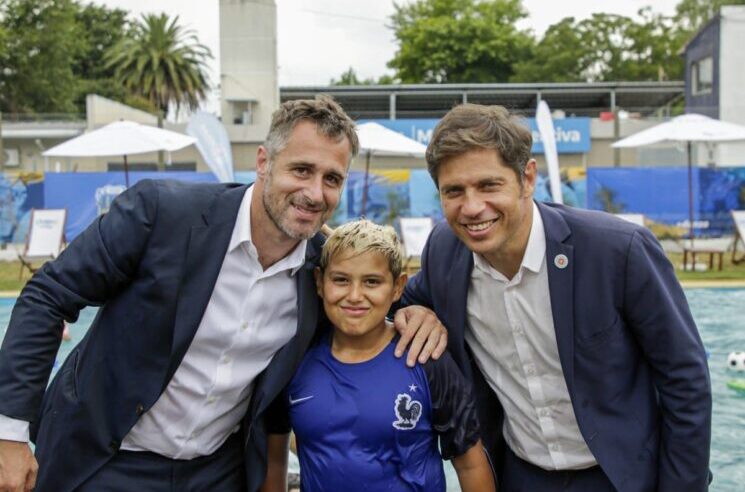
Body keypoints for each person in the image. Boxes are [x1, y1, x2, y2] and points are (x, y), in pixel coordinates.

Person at [0, 97, 447, 492]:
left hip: (216, 473)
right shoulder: (161, 215)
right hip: (105, 458)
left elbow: (369, 306)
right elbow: (47, 295)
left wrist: (415, 314)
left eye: (332, 178)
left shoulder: (323, 270)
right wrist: (9, 434)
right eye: (302, 170)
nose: (315, 192)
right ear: (262, 162)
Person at [401, 103, 712, 491]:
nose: (472, 207)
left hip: (623, 478)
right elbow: (395, 303)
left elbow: (686, 380)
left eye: (488, 185)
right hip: (519, 476)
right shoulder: (443, 254)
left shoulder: (618, 252)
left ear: (527, 178)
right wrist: (415, 311)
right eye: (454, 191)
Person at [260, 220, 495, 492]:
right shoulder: (294, 361)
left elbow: (470, 464)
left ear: (397, 287)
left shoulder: (425, 357)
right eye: (341, 280)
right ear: (320, 282)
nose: (355, 295)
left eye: (372, 282)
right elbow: (274, 461)